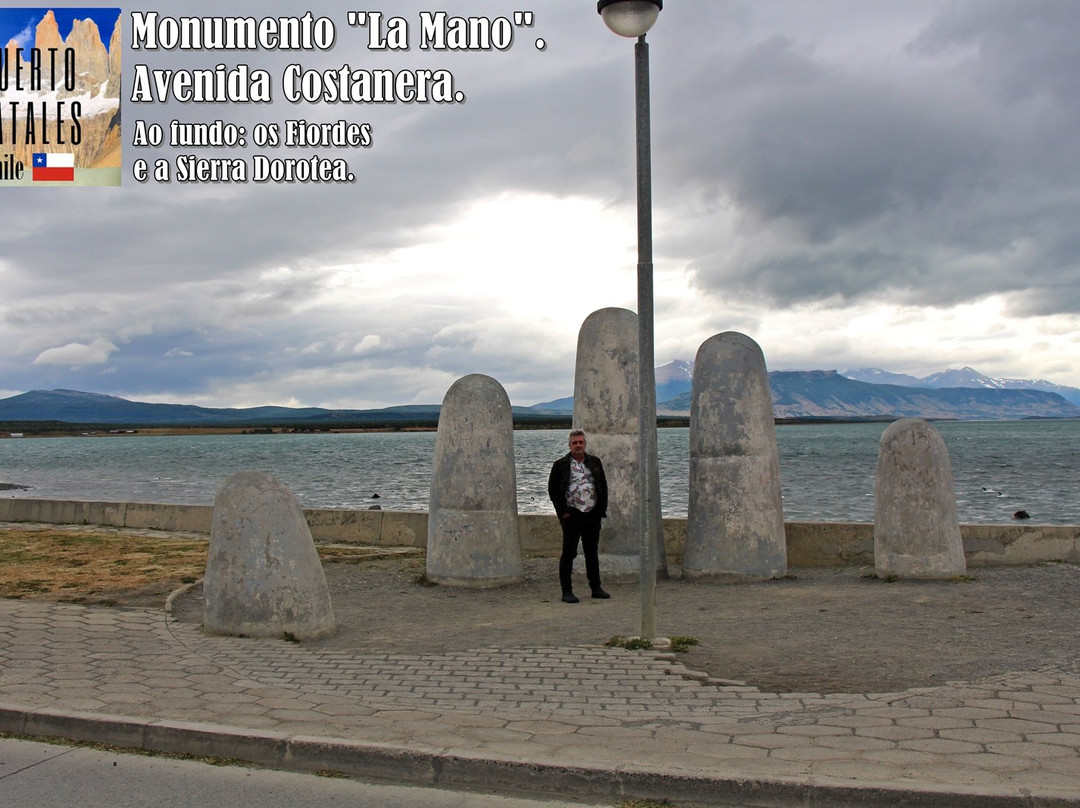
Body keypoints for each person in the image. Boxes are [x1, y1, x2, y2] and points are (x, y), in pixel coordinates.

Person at [547, 429, 610, 603]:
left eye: (581, 442)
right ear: (569, 445)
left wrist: (600, 509)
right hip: (572, 514)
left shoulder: (594, 463)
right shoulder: (560, 465)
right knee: (569, 553)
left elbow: (602, 486)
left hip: (592, 514)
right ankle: (566, 591)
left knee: (592, 552)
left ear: (585, 444)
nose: (578, 445)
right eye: (575, 442)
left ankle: (596, 588)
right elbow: (553, 490)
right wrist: (563, 512)